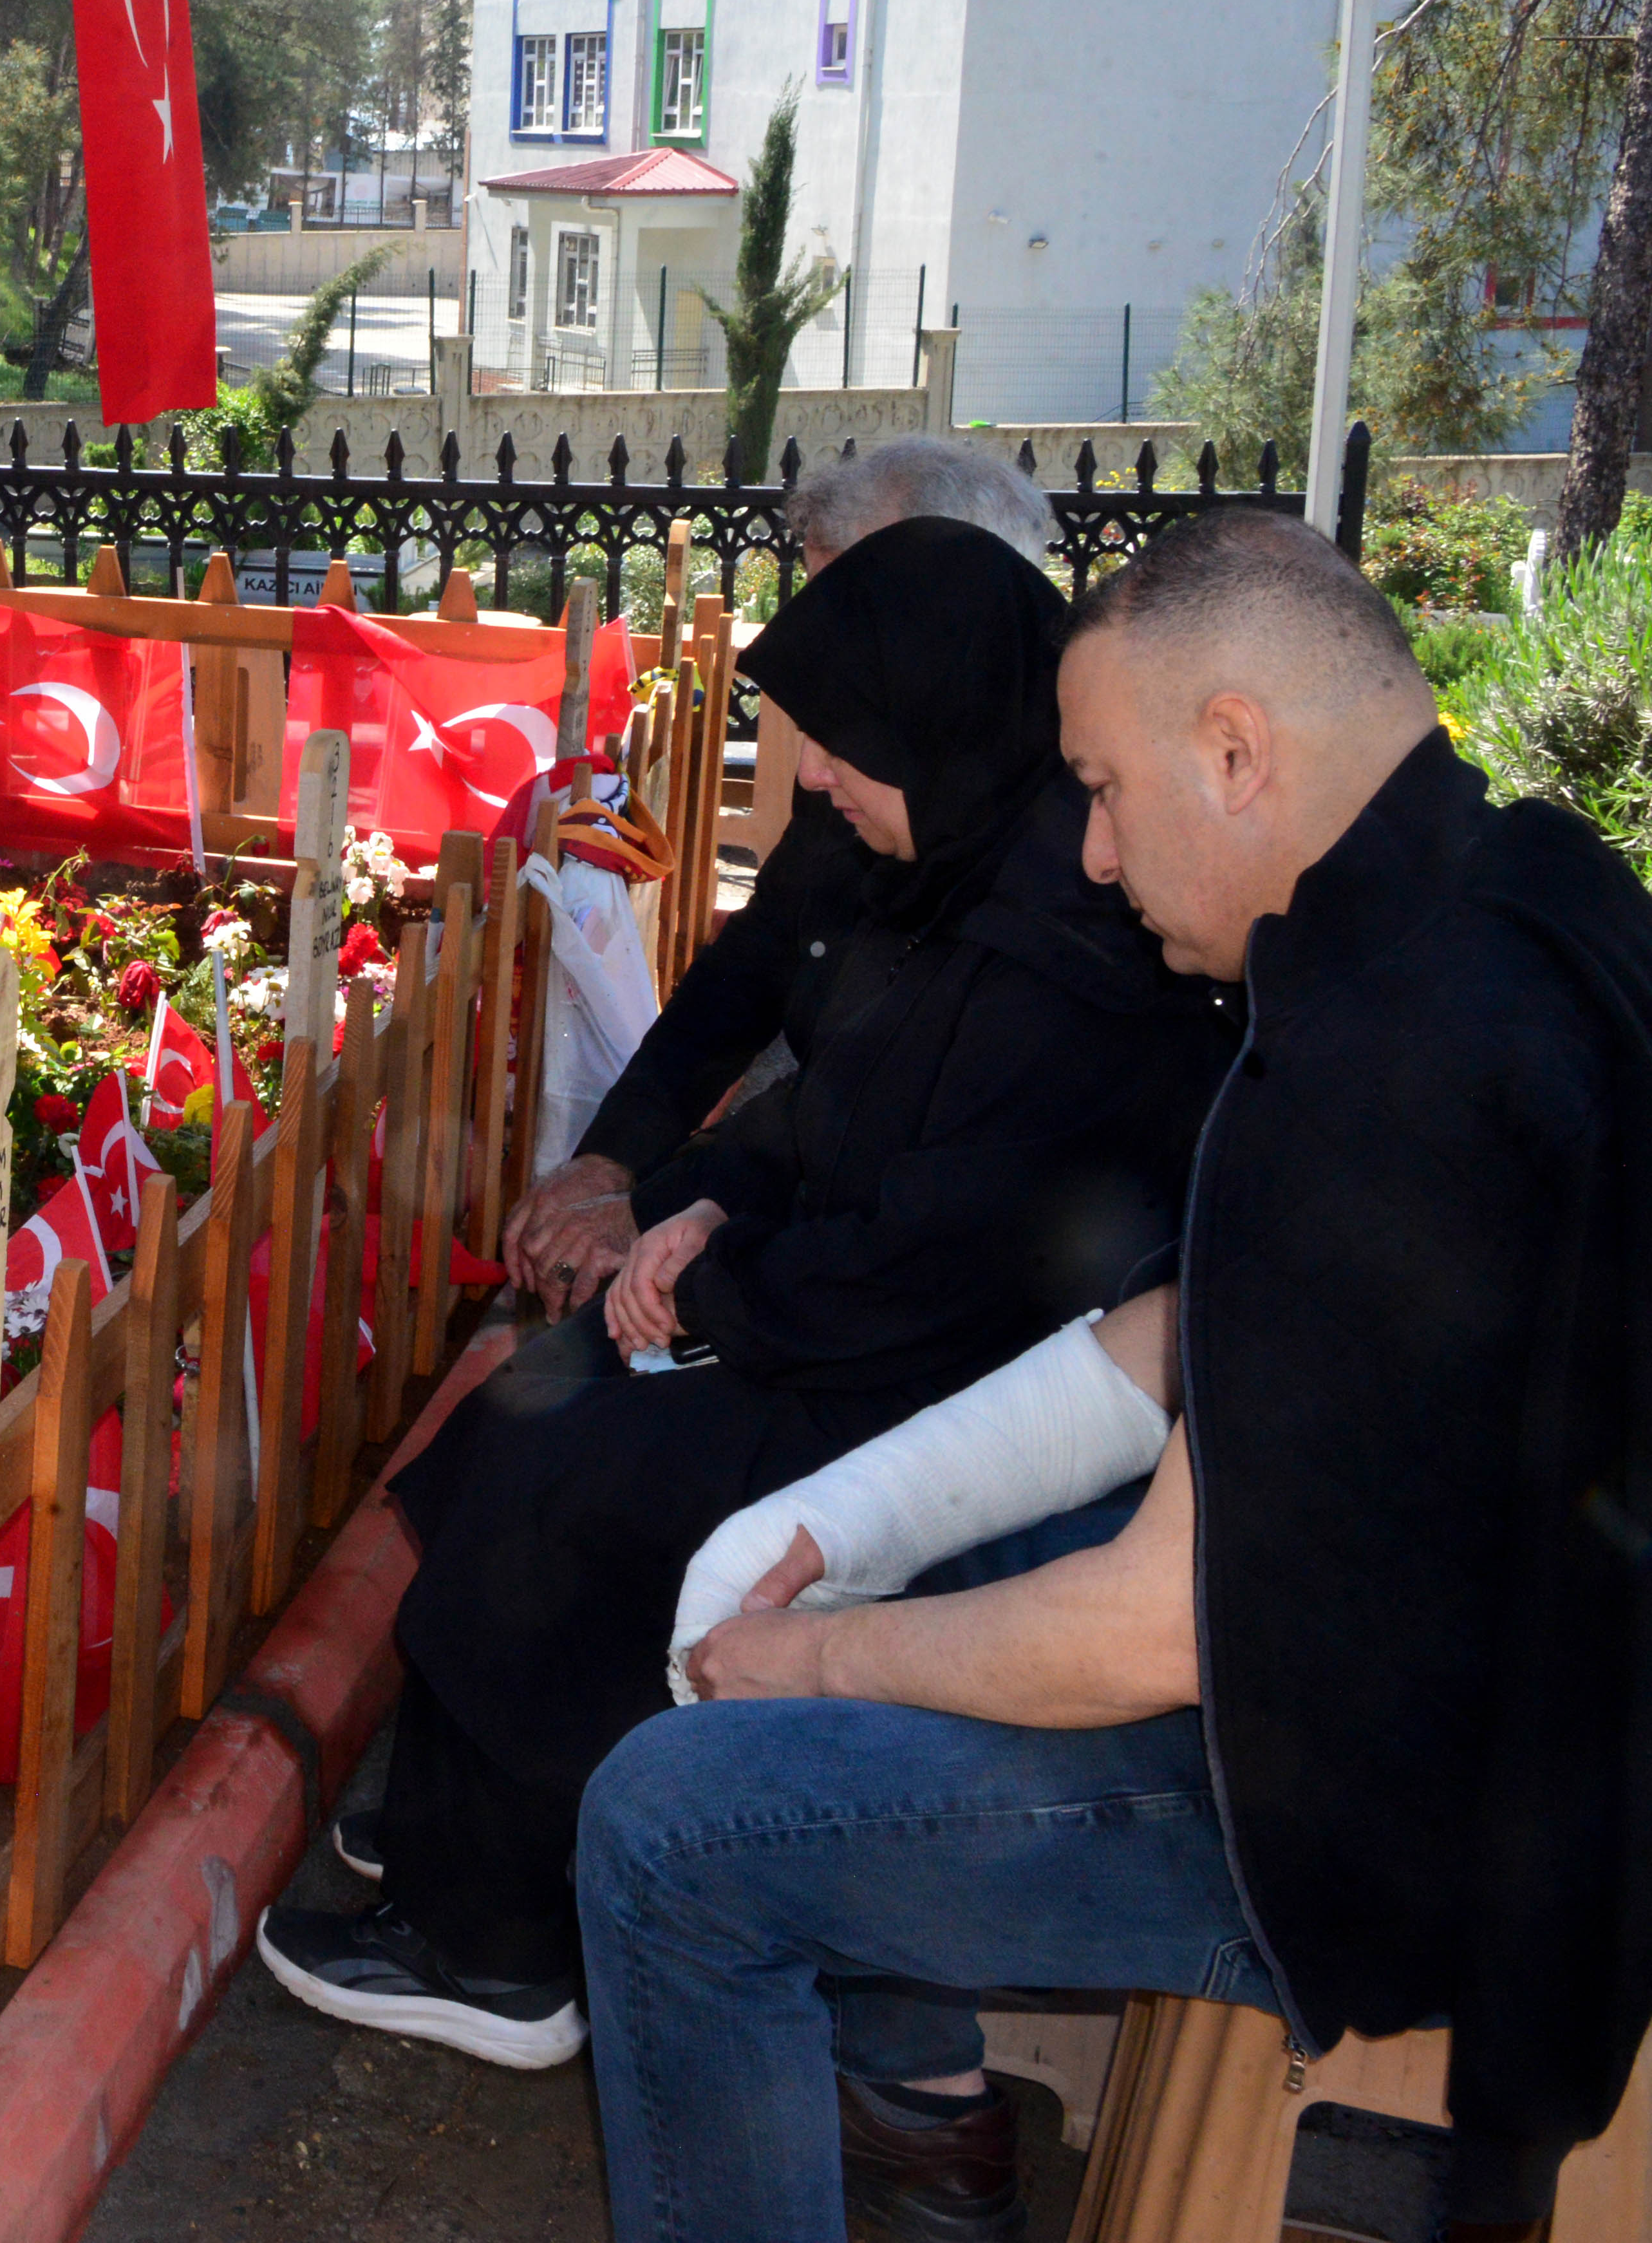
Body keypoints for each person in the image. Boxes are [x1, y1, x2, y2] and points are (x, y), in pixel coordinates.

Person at [580, 512, 1651, 2243]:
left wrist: (801, 1656)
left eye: (1100, 786)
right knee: (892, 1578)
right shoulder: (1532, 892)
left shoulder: (1384, 1061)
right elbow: (1196, 1324)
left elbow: (1156, 1634)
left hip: (1404, 1832)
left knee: (669, 1824)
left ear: (1233, 751)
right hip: (1531, 1717)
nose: (1086, 850)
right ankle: (920, 2111)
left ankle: (899, 2099)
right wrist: (856, 1527)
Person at [256, 522, 1239, 2135]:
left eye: (845, 743)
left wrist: (701, 1280)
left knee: (578, 1468)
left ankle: (491, 1948)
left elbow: (936, 1259)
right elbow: (829, 1098)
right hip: (882, 1308)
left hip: (961, 1380)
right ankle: (481, 1832)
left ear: (940, 725)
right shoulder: (946, 853)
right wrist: (681, 1206)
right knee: (536, 1401)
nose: (814, 777)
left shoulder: (1065, 955)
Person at [503, 436, 1060, 1317]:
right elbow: (755, 961)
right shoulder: (859, 761)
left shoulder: (1045, 846)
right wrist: (614, 1157)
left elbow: (872, 1124)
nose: (827, 654)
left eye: (863, 611)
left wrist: (664, 1215)